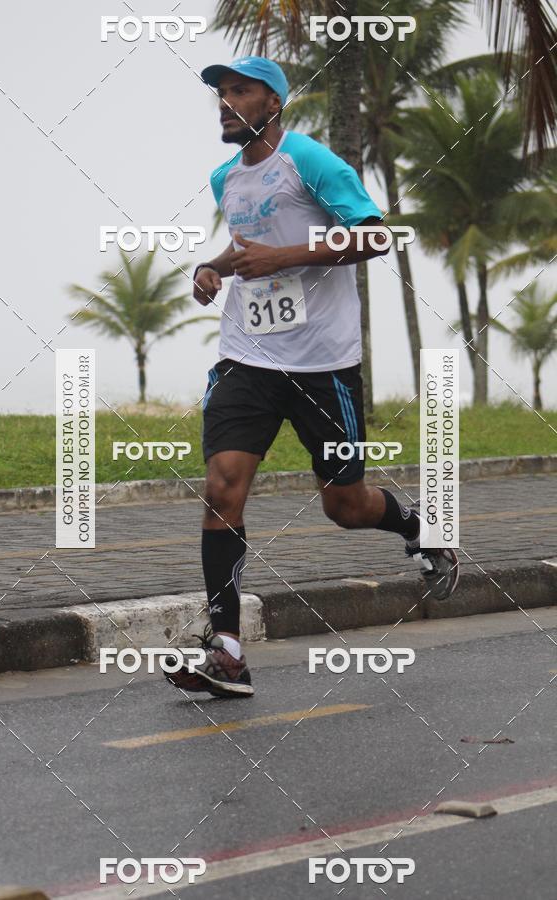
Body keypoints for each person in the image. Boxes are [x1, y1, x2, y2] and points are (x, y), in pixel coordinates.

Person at [166, 56, 458, 699]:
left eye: (240, 91)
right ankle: (227, 651)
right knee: (221, 488)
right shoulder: (224, 179)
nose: (225, 102)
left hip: (324, 364)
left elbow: (375, 237)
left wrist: (287, 256)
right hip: (246, 358)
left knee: (344, 506)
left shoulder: (312, 161)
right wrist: (211, 268)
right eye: (221, 92)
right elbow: (249, 248)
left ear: (274, 102)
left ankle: (418, 528)